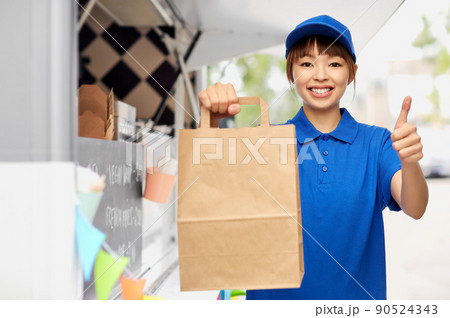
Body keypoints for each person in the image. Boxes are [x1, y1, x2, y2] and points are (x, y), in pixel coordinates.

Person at [198, 15, 429, 300]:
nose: (320, 75)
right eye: (306, 64)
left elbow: (415, 207)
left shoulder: (376, 143)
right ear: (290, 73)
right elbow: (210, 197)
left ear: (352, 72)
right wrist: (211, 125)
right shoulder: (264, 142)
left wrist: (409, 160)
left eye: (334, 63)